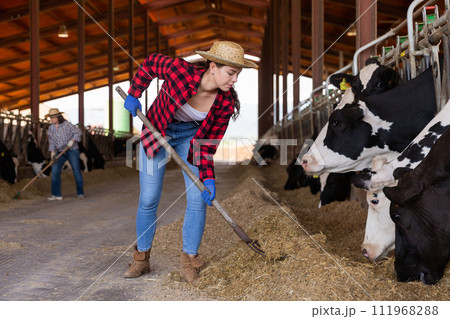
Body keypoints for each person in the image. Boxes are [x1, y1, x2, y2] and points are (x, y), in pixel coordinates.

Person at [123, 41, 257, 282]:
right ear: (213, 67)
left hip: (191, 138)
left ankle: (189, 262)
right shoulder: (180, 72)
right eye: (231, 73)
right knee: (149, 198)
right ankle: (141, 259)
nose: (235, 80)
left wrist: (208, 179)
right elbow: (151, 62)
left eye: (238, 74)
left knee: (198, 198)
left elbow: (205, 146)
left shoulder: (224, 104)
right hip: (157, 130)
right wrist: (134, 93)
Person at [46, 108, 84, 200]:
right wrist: (52, 153)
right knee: (55, 170)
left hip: (72, 150)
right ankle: (56, 194)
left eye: (53, 118)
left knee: (76, 171)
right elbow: (51, 141)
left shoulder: (67, 125)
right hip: (60, 151)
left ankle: (80, 193)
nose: (51, 120)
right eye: (50, 118)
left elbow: (78, 132)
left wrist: (72, 140)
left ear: (58, 117)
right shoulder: (50, 128)